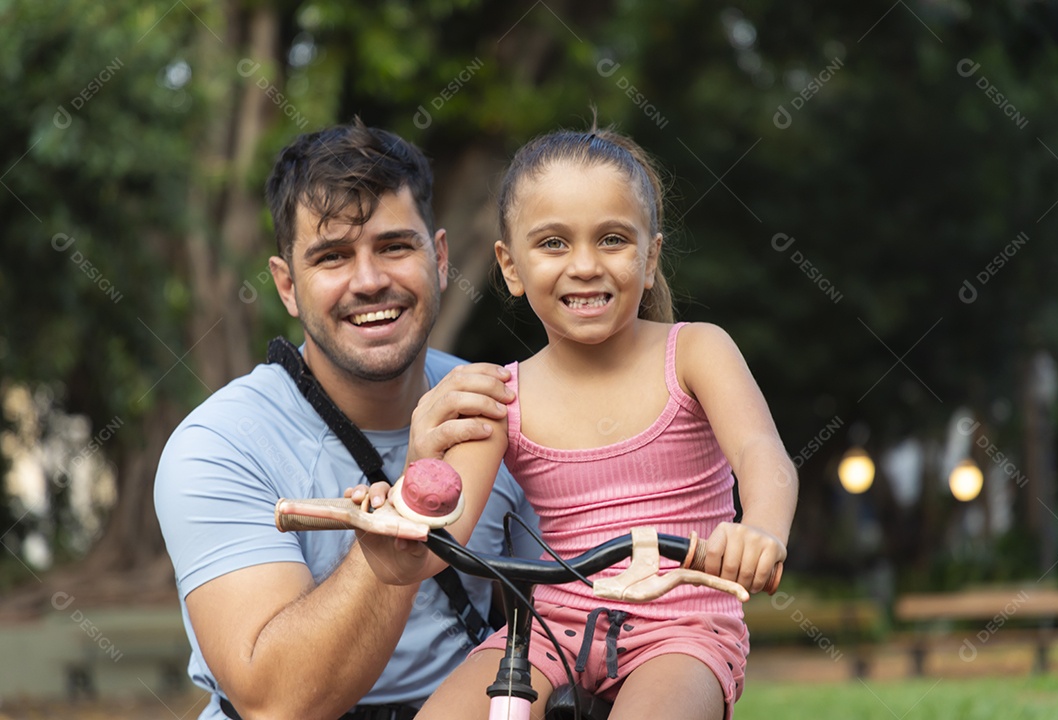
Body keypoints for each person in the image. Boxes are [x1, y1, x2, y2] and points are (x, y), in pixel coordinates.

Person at [360, 127, 798, 720]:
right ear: (511, 268)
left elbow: (761, 454)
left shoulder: (696, 353)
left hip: (682, 627)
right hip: (546, 631)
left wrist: (762, 533)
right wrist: (390, 535)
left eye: (613, 239)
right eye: (553, 244)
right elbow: (437, 546)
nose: (585, 266)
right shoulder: (500, 395)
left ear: (649, 260)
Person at [153, 117, 538, 720]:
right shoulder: (219, 446)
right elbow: (277, 703)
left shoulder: (504, 407)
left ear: (439, 259)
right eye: (332, 257)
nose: (369, 280)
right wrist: (411, 504)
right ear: (287, 286)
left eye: (393, 246)